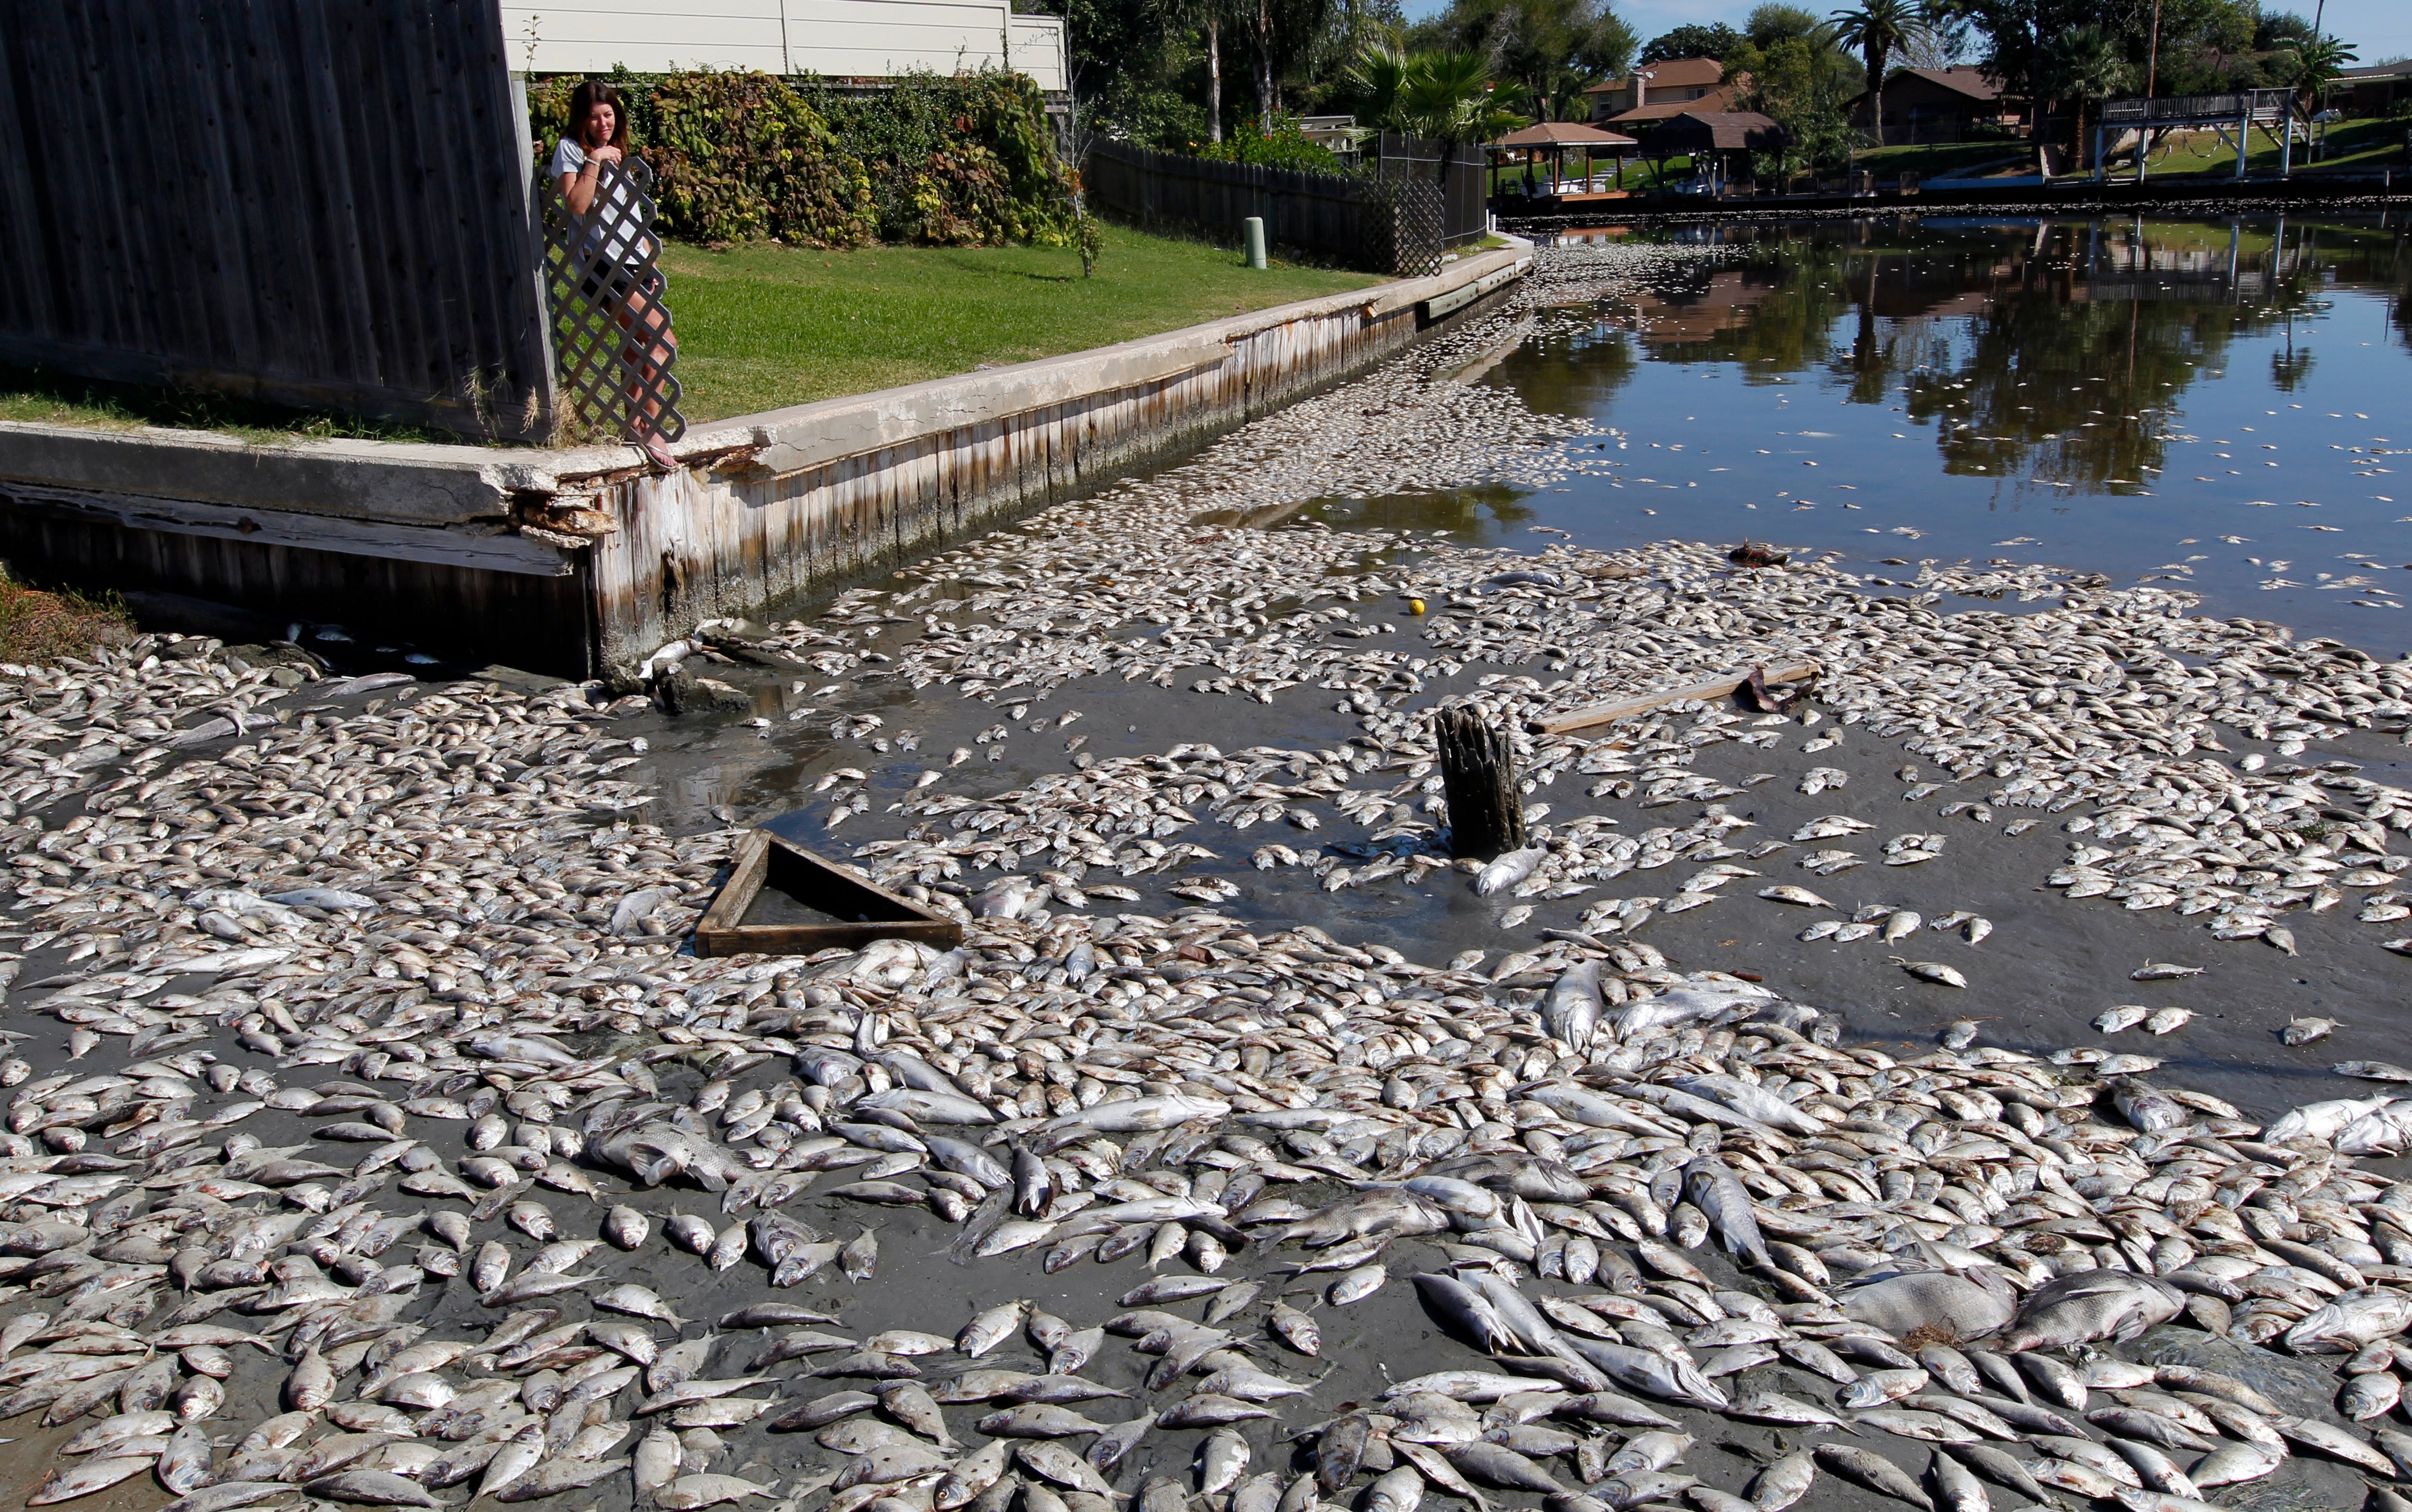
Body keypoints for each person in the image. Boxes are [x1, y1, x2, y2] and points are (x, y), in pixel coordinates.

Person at [550, 80, 680, 471]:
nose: (602, 123)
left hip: (633, 263)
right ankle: (652, 428)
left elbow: (631, 218)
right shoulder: (571, 150)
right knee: (662, 341)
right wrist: (595, 161)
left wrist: (650, 264)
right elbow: (576, 205)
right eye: (594, 117)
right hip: (601, 265)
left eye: (608, 115)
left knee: (635, 346)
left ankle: (634, 424)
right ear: (581, 119)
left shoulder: (622, 154)